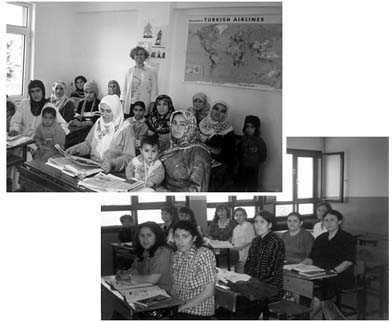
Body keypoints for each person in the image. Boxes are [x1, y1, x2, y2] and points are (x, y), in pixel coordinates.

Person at [302, 210, 356, 319]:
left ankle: (307, 318)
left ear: (339, 222)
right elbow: (311, 258)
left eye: (332, 220)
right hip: (319, 273)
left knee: (319, 293)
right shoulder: (320, 238)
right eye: (326, 220)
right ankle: (304, 314)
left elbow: (348, 262)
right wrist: (300, 265)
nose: (329, 223)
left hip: (339, 275)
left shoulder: (347, 238)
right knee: (301, 286)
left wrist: (332, 272)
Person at [66, 95, 135, 172]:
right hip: (94, 166)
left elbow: (129, 157)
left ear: (116, 111)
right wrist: (76, 149)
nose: (104, 114)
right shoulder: (99, 122)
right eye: (102, 110)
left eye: (108, 111)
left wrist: (112, 163)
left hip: (114, 170)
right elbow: (88, 144)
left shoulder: (126, 128)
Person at [157, 110, 211, 192]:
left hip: (180, 201)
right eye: (174, 123)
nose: (176, 127)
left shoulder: (199, 153)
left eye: (182, 124)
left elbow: (198, 190)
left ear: (191, 127)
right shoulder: (169, 146)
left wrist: (167, 193)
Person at [171, 220, 216, 319]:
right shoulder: (177, 255)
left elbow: (209, 292)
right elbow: (175, 287)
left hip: (197, 312)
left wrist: (182, 307)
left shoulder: (204, 254)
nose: (180, 241)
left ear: (194, 238)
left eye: (185, 236)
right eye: (177, 236)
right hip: (180, 308)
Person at [116, 221, 172, 292]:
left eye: (149, 235)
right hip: (147, 289)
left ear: (157, 236)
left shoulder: (164, 252)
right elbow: (135, 269)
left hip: (164, 293)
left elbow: (153, 280)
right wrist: (123, 273)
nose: (145, 239)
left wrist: (129, 277)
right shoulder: (145, 251)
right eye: (142, 236)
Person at [244, 211, 285, 307]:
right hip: (255, 283)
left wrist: (253, 281)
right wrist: (247, 278)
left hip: (271, 287)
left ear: (270, 225)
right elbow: (248, 264)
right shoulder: (255, 241)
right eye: (256, 222)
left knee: (244, 303)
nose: (258, 225)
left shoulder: (276, 242)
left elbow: (271, 273)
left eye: (262, 222)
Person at [120, 46, 158, 117]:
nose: (139, 56)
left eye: (141, 54)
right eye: (137, 54)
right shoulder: (129, 71)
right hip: (131, 104)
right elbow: (124, 90)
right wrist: (123, 106)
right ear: (133, 56)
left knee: (143, 125)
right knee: (130, 126)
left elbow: (154, 91)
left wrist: (152, 105)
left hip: (144, 105)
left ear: (145, 56)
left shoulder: (151, 71)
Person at [199, 100, 235, 167]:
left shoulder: (228, 130)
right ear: (211, 110)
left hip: (216, 165)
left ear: (225, 114)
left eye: (222, 111)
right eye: (216, 108)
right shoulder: (202, 124)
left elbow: (228, 155)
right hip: (198, 159)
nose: (218, 113)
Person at [237, 115, 267, 192]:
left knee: (252, 186)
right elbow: (239, 151)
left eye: (252, 127)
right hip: (242, 166)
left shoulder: (259, 141)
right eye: (247, 127)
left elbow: (263, 155)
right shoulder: (243, 139)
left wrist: (255, 162)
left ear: (256, 129)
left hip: (253, 167)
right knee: (240, 185)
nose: (249, 129)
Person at [231, 207, 255, 273]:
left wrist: (240, 247)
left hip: (246, 254)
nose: (238, 217)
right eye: (236, 215)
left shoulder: (248, 225)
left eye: (240, 215)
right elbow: (233, 242)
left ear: (245, 216)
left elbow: (250, 241)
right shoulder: (236, 228)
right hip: (237, 254)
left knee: (244, 274)